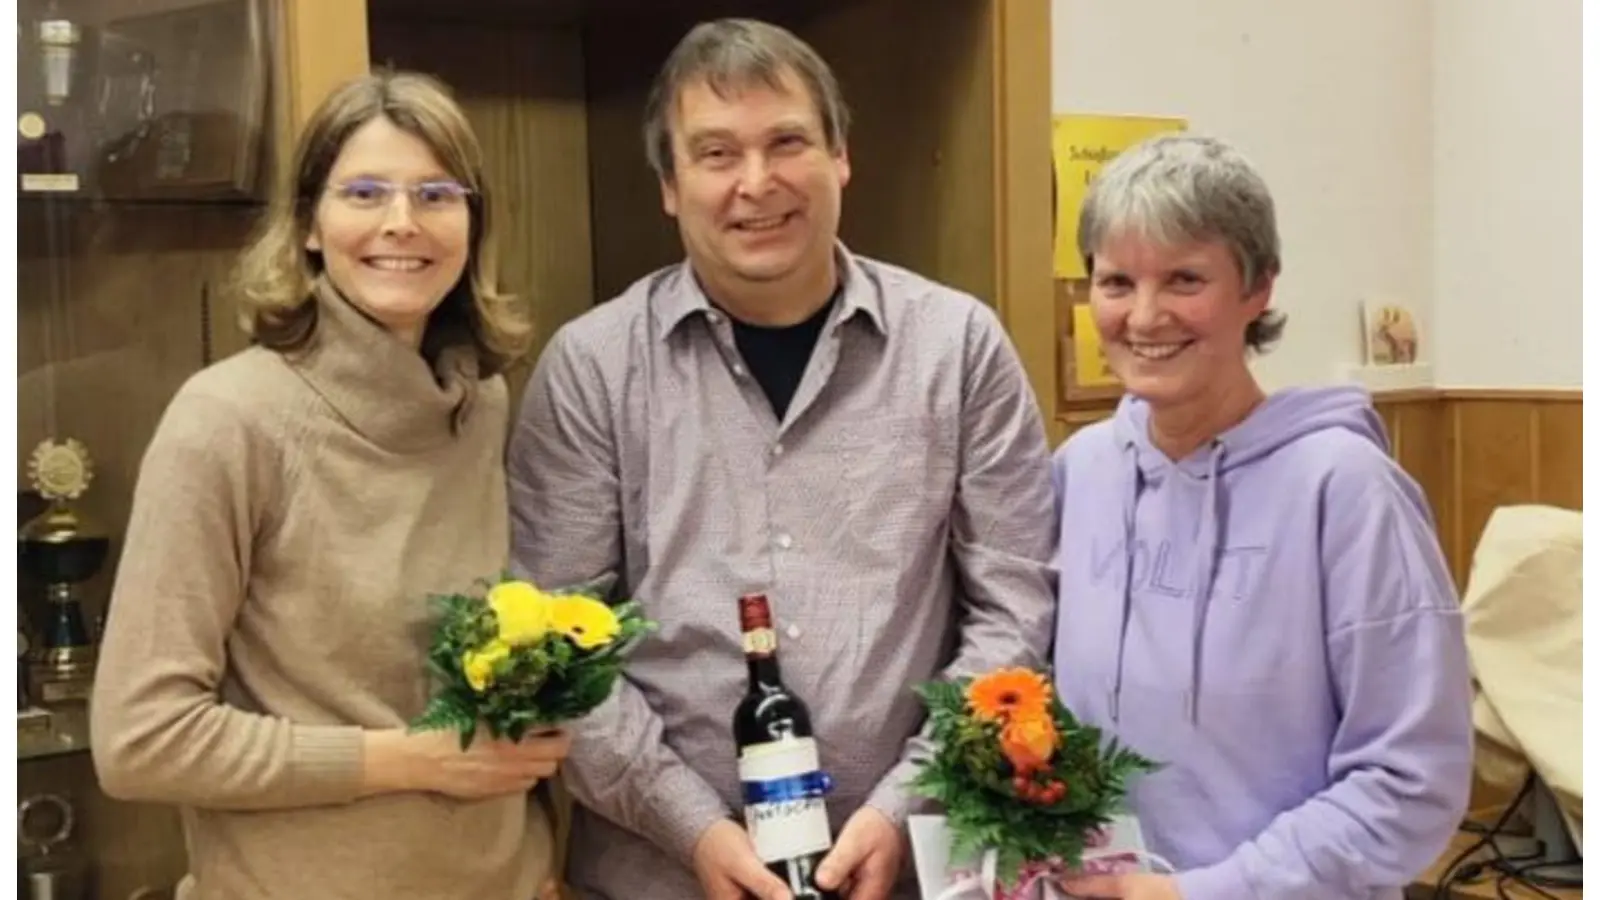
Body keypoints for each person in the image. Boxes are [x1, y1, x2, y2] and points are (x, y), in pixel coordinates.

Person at [507, 17, 1057, 900]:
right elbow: (560, 650)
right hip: (658, 876)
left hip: (912, 870)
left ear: (841, 156)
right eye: (716, 153)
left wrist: (905, 805)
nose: (755, 183)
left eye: (787, 142)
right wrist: (691, 829)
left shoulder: (957, 348)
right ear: (669, 185)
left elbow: (1015, 612)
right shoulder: (593, 368)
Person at [90, 71, 571, 900]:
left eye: (435, 194)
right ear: (309, 224)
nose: (401, 223)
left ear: (471, 222)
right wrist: (406, 761)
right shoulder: (227, 421)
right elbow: (140, 739)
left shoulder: (480, 401)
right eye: (365, 192)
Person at [1048, 134, 1474, 900]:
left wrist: (1203, 893)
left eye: (1185, 278)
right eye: (1115, 281)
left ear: (1258, 288)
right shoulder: (1079, 472)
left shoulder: (1345, 491)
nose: (1145, 316)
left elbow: (1411, 782)